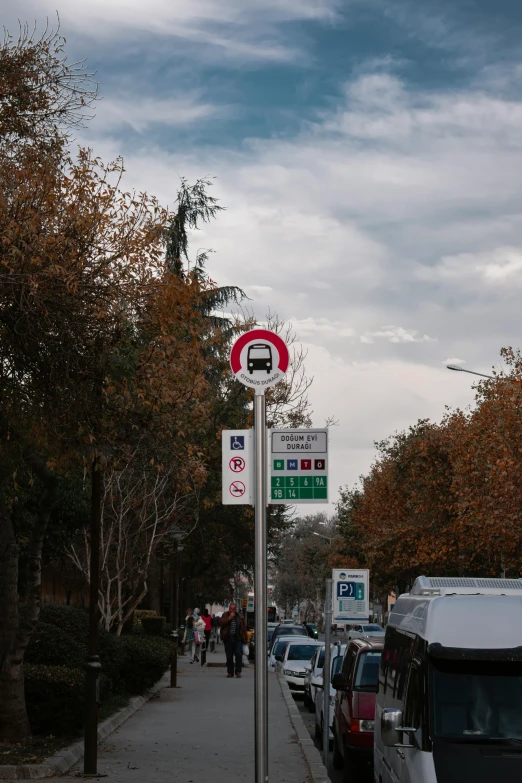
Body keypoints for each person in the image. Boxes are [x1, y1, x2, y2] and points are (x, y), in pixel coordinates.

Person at [220, 603, 248, 678]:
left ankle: (238, 671)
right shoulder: (225, 615)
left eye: (233, 609)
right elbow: (221, 623)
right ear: (229, 609)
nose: (232, 610)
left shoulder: (240, 616)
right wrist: (229, 618)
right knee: (229, 656)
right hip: (228, 638)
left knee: (238, 654)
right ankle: (230, 672)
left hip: (238, 638)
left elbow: (243, 628)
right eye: (231, 609)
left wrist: (245, 639)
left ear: (236, 609)